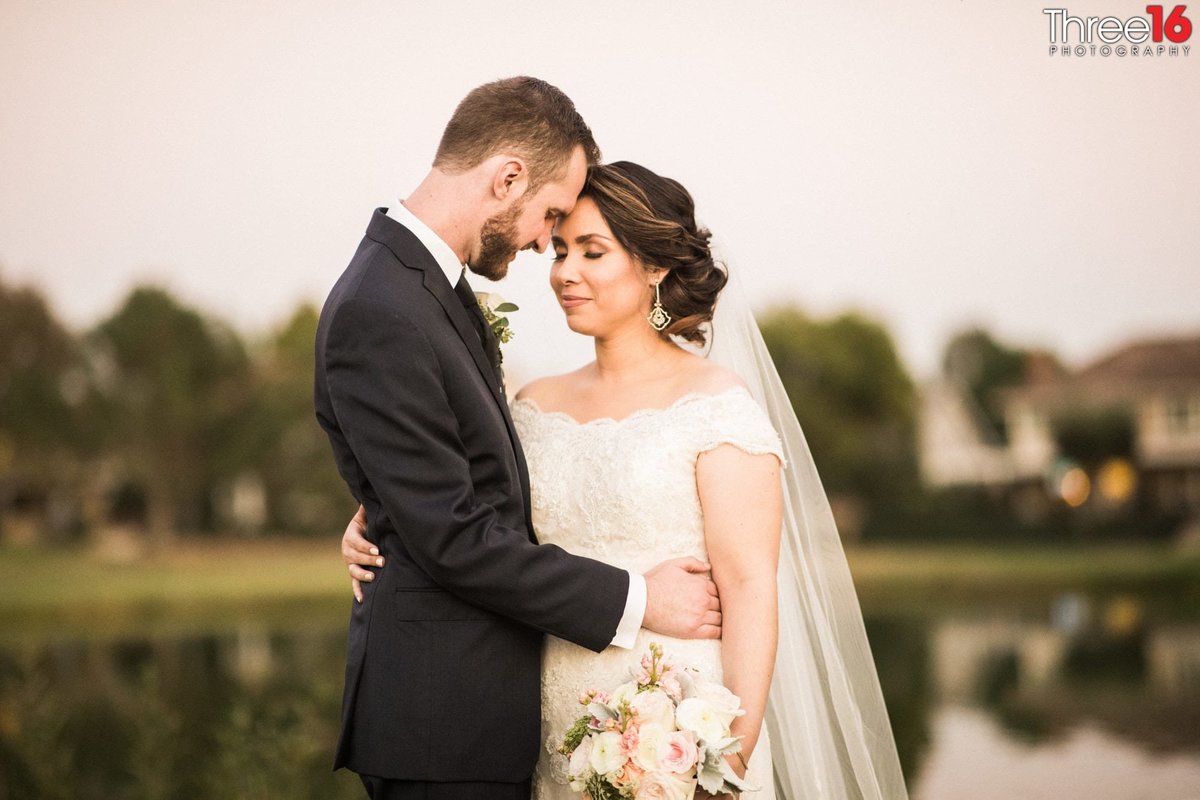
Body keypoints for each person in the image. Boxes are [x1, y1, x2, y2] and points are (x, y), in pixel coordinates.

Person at [342, 161, 911, 798]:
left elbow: (751, 590)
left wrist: (728, 764)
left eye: (592, 252)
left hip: (677, 731)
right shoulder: (530, 405)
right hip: (545, 726)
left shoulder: (716, 407)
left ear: (655, 266)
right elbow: (471, 519)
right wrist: (375, 518)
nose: (564, 273)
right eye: (559, 251)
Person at [314, 78, 723, 800]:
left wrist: (384, 509)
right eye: (552, 217)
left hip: (485, 721)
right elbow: (454, 539)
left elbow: (459, 486)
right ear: (506, 178)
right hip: (441, 730)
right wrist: (639, 601)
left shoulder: (425, 291)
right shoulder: (384, 307)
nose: (545, 246)